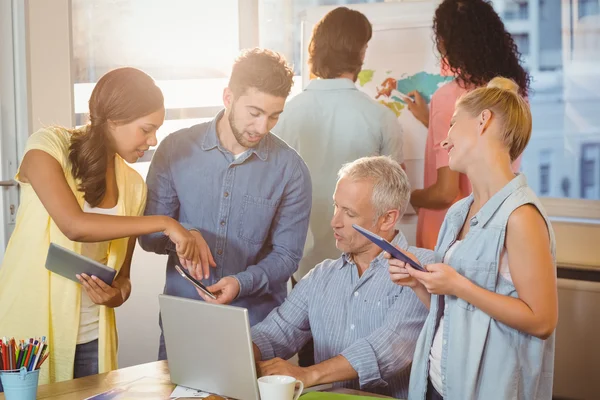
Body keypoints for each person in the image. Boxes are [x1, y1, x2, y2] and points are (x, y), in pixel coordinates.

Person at [0, 67, 208, 385]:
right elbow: (74, 225)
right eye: (146, 129)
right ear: (114, 120)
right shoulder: (47, 146)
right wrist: (167, 223)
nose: (152, 141)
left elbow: (122, 279)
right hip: (28, 337)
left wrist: (115, 296)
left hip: (92, 338)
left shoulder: (133, 185)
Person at [388, 78, 557, 399]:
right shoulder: (457, 213)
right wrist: (419, 284)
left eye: (452, 124)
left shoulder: (521, 217)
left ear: (484, 120)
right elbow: (453, 308)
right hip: (438, 384)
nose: (444, 140)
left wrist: (458, 285)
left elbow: (542, 320)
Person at [139, 48, 312, 361]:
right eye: (255, 112)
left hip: (258, 327)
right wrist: (183, 234)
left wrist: (240, 282)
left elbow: (287, 256)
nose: (262, 127)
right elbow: (149, 237)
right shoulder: (174, 150)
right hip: (185, 319)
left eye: (274, 116)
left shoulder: (291, 169)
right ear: (228, 96)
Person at [251, 156, 431, 399]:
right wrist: (244, 352)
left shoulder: (423, 269)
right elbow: (277, 332)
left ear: (387, 218)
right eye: (336, 206)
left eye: (349, 213)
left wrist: (308, 375)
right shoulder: (321, 276)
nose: (334, 222)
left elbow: (390, 346)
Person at [273, 7, 404, 281]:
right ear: (361, 53)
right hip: (363, 269)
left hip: (300, 264)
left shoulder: (283, 115)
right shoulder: (381, 118)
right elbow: (396, 201)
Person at [406, 0, 530, 249]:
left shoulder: (449, 98)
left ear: (449, 42)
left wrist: (408, 197)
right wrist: (429, 119)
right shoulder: (513, 95)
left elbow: (445, 192)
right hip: (496, 224)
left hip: (450, 232)